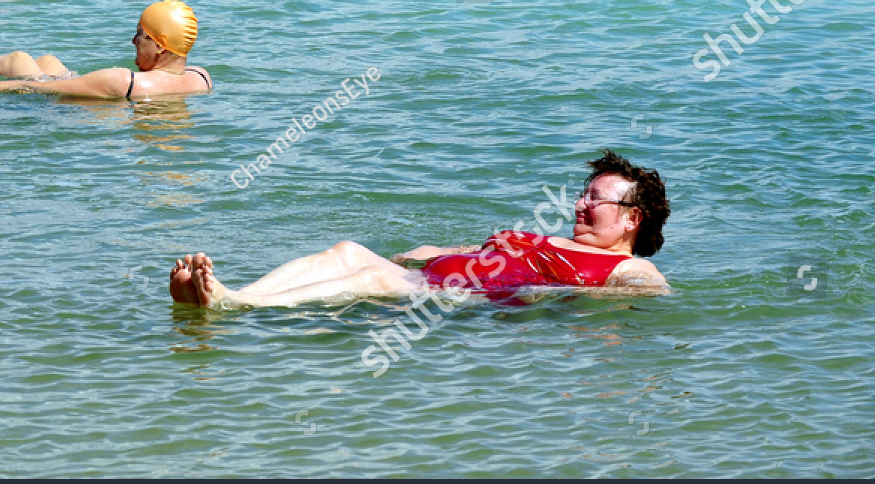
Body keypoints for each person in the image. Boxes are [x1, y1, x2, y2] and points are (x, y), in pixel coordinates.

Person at [169, 150, 670, 306]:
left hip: (459, 300)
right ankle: (234, 292)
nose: (581, 204)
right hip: (436, 276)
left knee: (373, 281)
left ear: (631, 218)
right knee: (348, 250)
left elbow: (652, 290)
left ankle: (238, 305)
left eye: (595, 199)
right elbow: (484, 250)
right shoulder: (551, 238)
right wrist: (424, 253)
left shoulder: (625, 266)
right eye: (583, 193)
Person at [0, 2, 212, 101]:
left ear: (159, 45)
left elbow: (25, 86)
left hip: (55, 110)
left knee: (20, 62)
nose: (132, 40)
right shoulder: (201, 78)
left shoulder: (127, 81)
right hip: (96, 93)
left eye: (139, 34)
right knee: (48, 61)